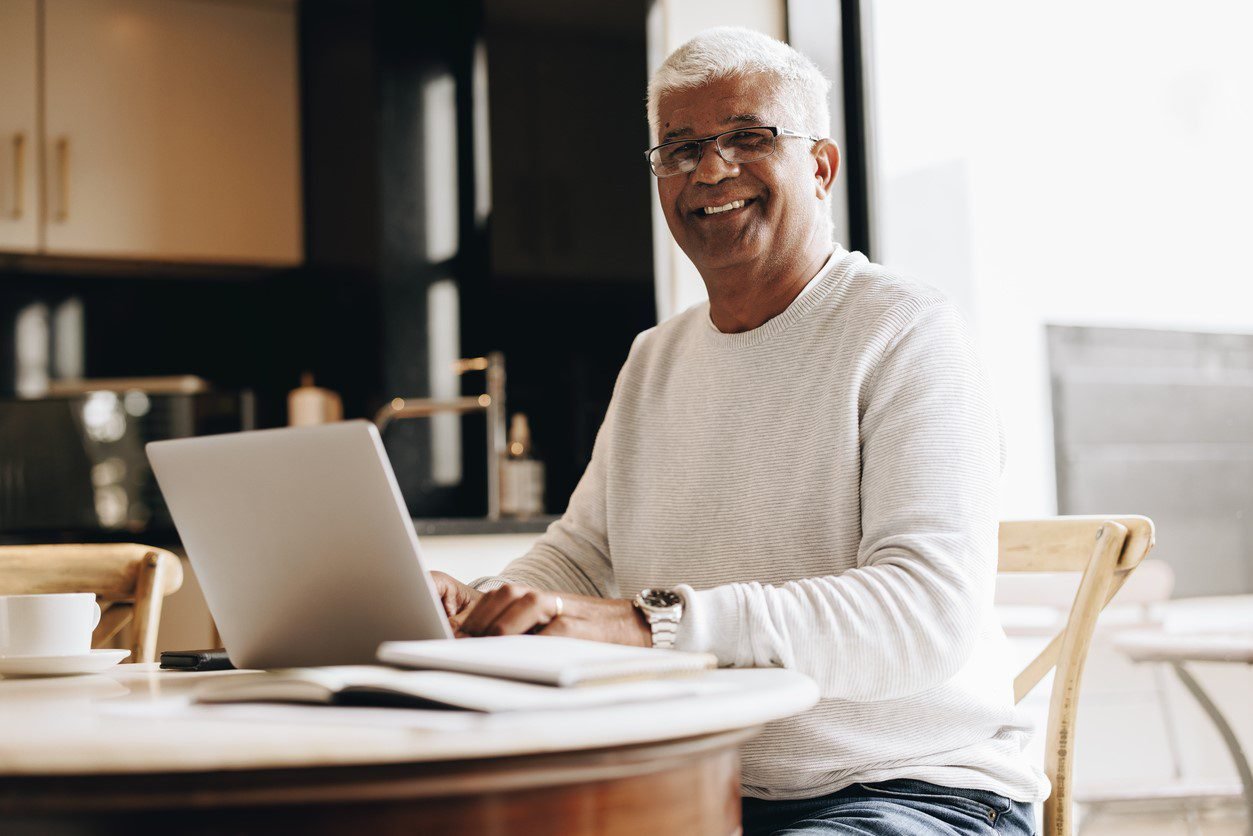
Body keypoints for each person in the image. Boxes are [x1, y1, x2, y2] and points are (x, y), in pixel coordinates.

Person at [433, 27, 1048, 835]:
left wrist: (654, 623)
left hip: (909, 789)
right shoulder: (654, 359)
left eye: (747, 138)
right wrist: (480, 606)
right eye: (679, 148)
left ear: (820, 166)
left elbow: (923, 612)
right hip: (698, 786)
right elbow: (583, 555)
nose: (710, 170)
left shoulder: (905, 330)